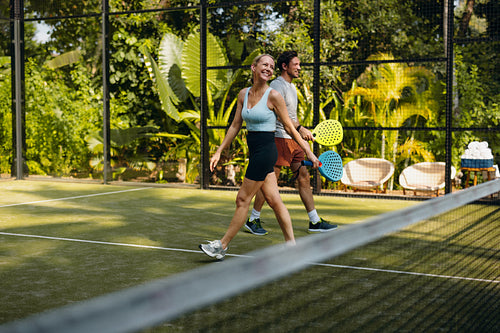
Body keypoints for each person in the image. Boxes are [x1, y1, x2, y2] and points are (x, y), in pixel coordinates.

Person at [199, 54, 320, 260]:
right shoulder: (243, 94)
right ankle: (292, 246)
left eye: (272, 66)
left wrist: (308, 151)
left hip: (266, 152)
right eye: (265, 64)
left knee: (243, 199)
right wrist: (219, 151)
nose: (269, 68)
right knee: (274, 200)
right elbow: (236, 125)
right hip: (255, 151)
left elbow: (290, 127)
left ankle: (222, 246)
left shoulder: (274, 96)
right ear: (254, 67)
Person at [245, 51, 338, 236]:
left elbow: (292, 118)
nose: (299, 68)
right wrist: (300, 128)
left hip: (292, 139)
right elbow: (281, 116)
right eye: (295, 64)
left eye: (299, 64)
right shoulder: (277, 86)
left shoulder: (292, 88)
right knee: (269, 179)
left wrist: (300, 132)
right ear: (284, 66)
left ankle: (314, 221)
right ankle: (253, 218)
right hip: (279, 138)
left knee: (303, 176)